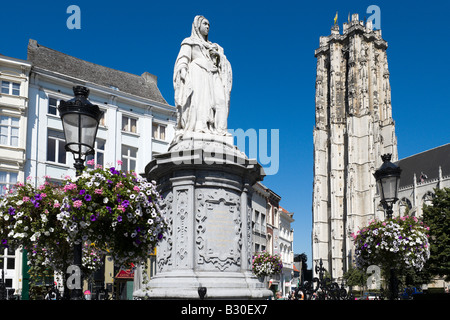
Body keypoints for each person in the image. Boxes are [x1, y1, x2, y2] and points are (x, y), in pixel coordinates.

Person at [173, 15, 232, 140]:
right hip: (197, 72)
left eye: (209, 25)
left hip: (214, 74)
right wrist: (183, 73)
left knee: (220, 101)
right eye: (205, 24)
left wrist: (219, 56)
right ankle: (200, 127)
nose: (208, 27)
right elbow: (183, 59)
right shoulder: (189, 41)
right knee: (200, 101)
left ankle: (220, 130)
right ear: (197, 25)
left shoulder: (214, 46)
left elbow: (224, 65)